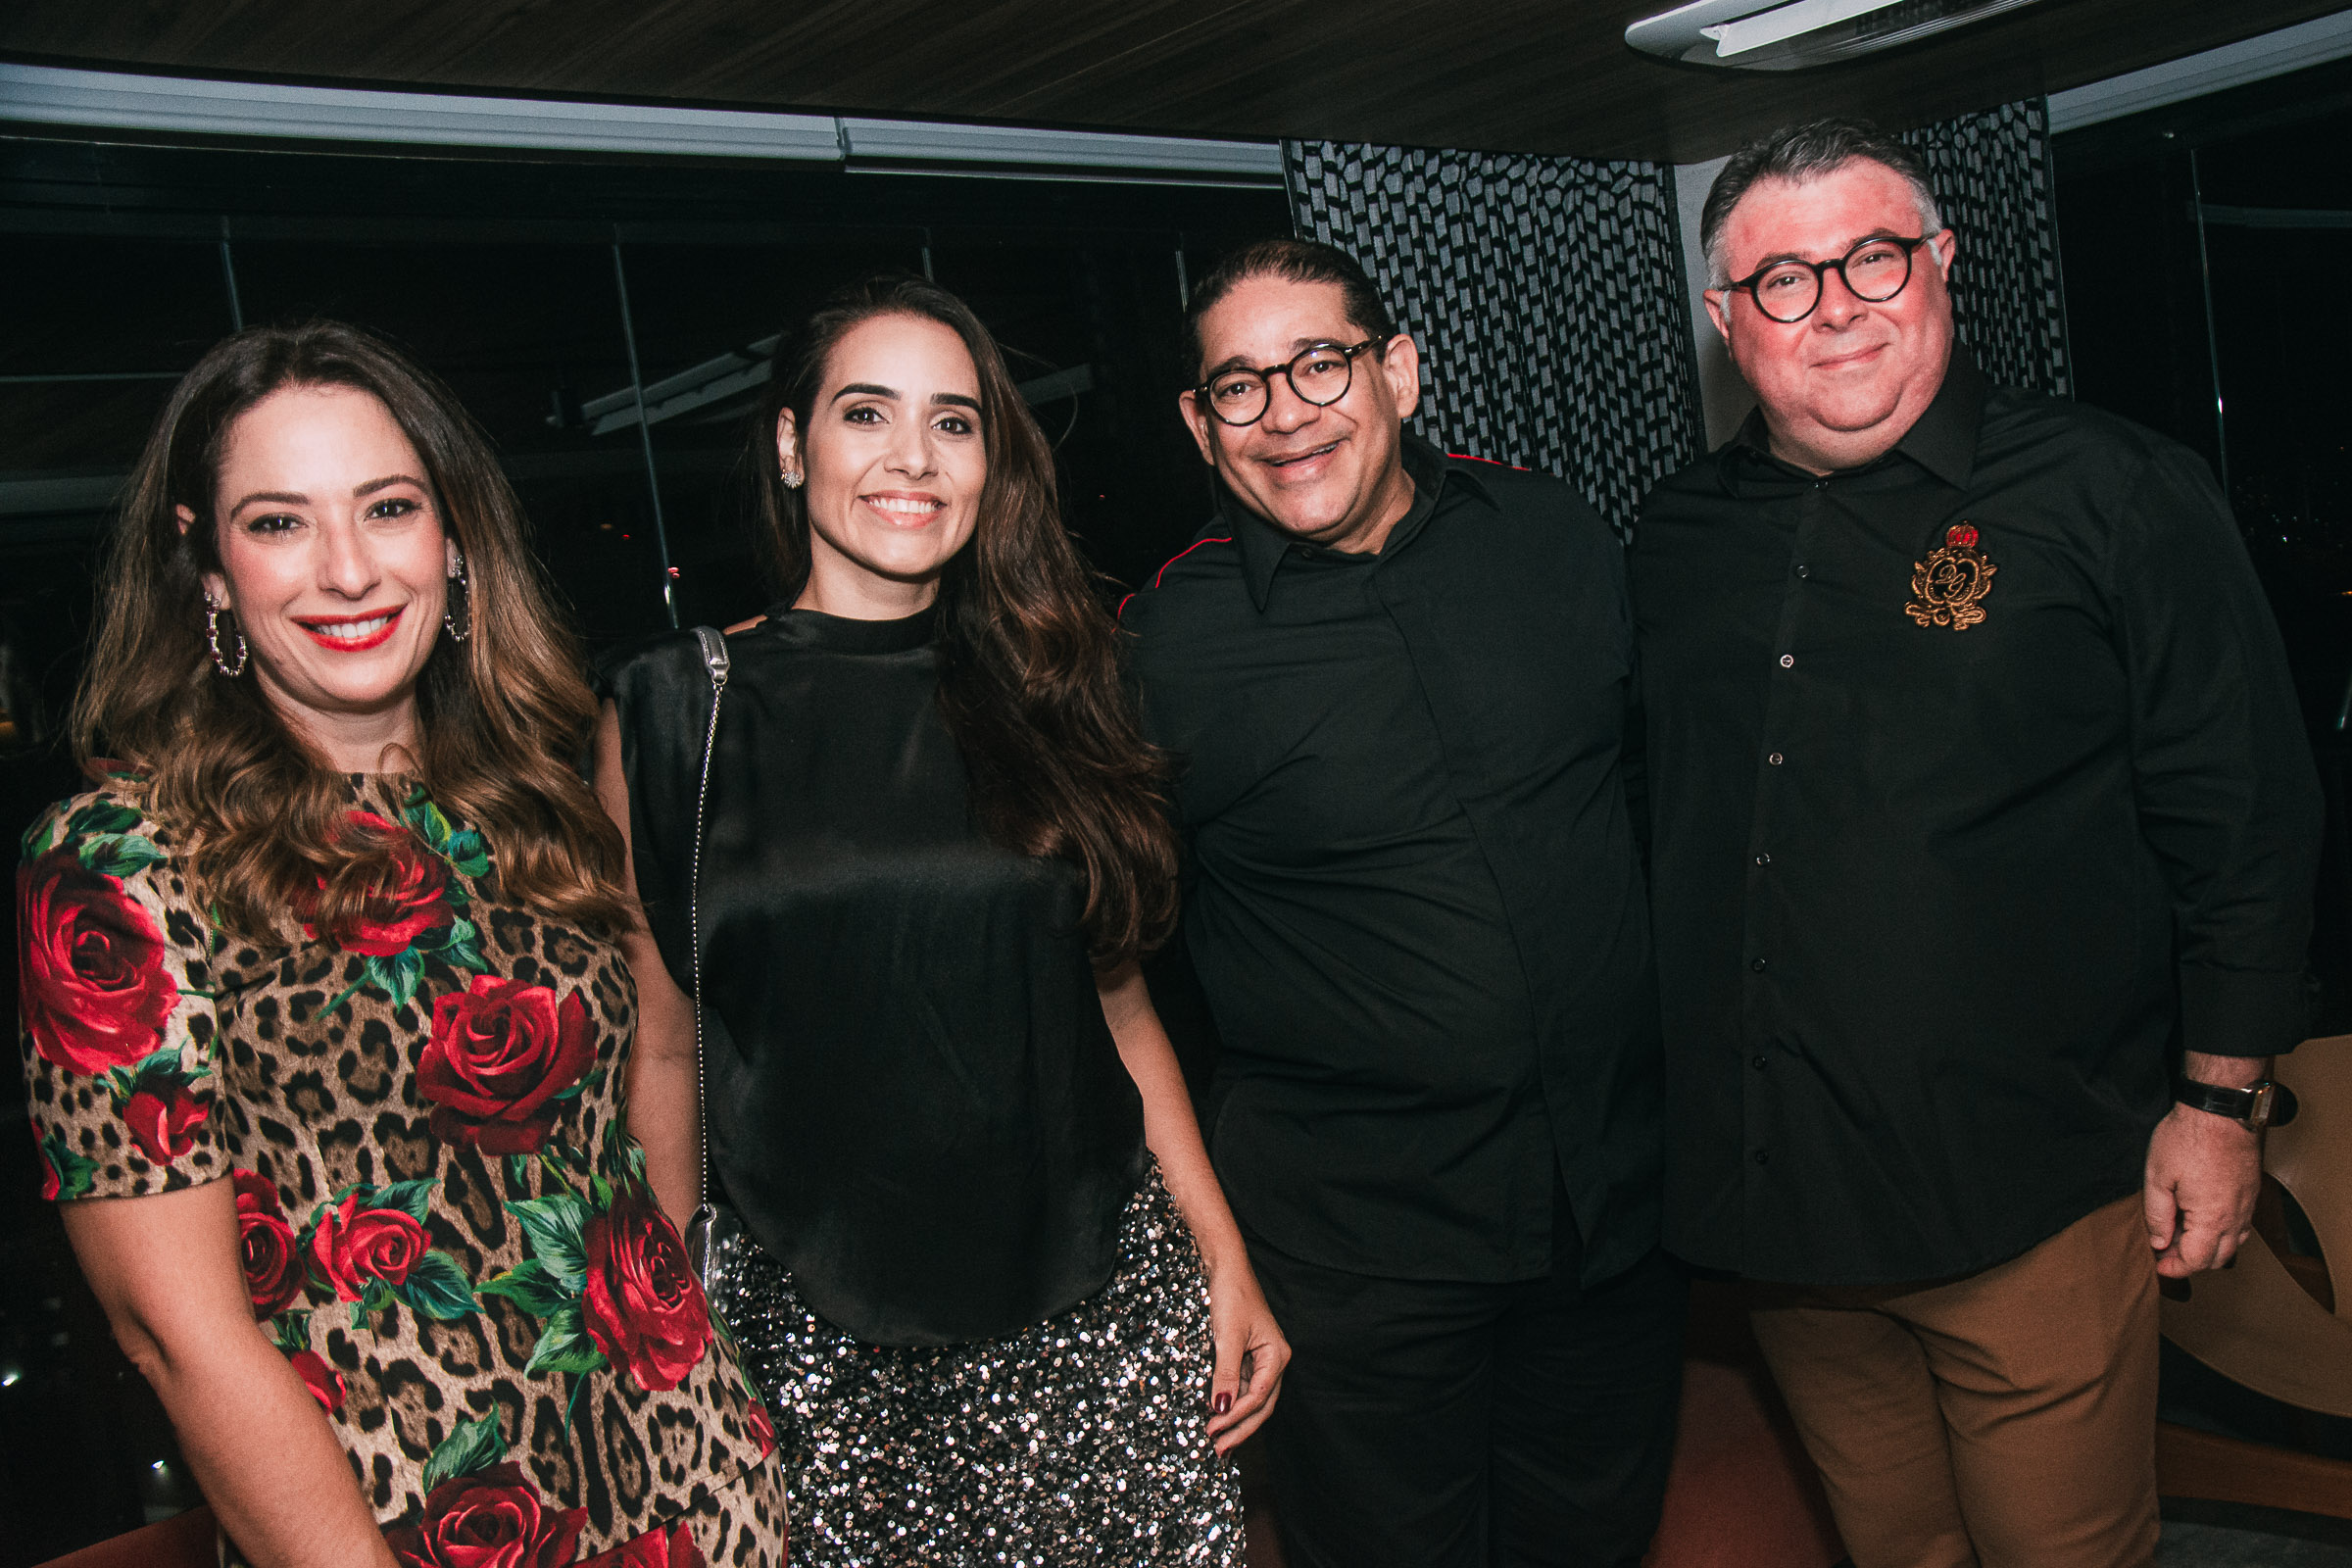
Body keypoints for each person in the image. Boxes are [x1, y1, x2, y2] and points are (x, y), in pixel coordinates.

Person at [1633, 118, 2324, 1568]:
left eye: (1874, 259)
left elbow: (2245, 816)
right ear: (1725, 318)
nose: (1836, 308)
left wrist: (2221, 1106)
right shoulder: (1677, 535)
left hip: (2033, 1198)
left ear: (1943, 262)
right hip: (1790, 1218)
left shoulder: (2113, 492)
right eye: (1784, 281)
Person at [18, 321, 785, 1568]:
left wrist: (697, 1355)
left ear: (454, 539)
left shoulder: (537, 803)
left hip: (694, 1490)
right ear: (207, 567)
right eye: (278, 522)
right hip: (394, 1526)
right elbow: (173, 1331)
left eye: (388, 508)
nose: (347, 569)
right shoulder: (120, 860)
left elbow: (638, 1112)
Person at [594, 273, 1283, 1565]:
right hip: (816, 1351)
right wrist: (677, 1341)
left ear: (988, 463)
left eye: (953, 422)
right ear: (792, 445)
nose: (912, 457)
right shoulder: (676, 709)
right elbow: (663, 1048)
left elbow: (1121, 1006)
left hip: (1099, 1318)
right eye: (867, 413)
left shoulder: (1056, 681)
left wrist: (1221, 1254)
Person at [1120, 237, 1684, 1567]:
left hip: (1609, 1212)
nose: (1287, 413)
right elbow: (1116, 961)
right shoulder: (1163, 648)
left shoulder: (1552, 536)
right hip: (1359, 1253)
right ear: (1201, 426)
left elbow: (1644, 804)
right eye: (1241, 386)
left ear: (1401, 373)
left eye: (1320, 363)